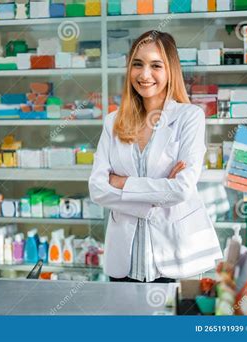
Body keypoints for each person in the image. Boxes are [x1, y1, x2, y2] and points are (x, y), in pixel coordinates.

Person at [88, 30, 222, 283]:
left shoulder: (189, 117)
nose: (144, 74)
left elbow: (181, 190)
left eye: (156, 65)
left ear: (170, 70)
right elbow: (97, 189)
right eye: (137, 64)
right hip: (124, 261)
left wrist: (121, 182)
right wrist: (158, 195)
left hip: (173, 258)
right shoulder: (113, 122)